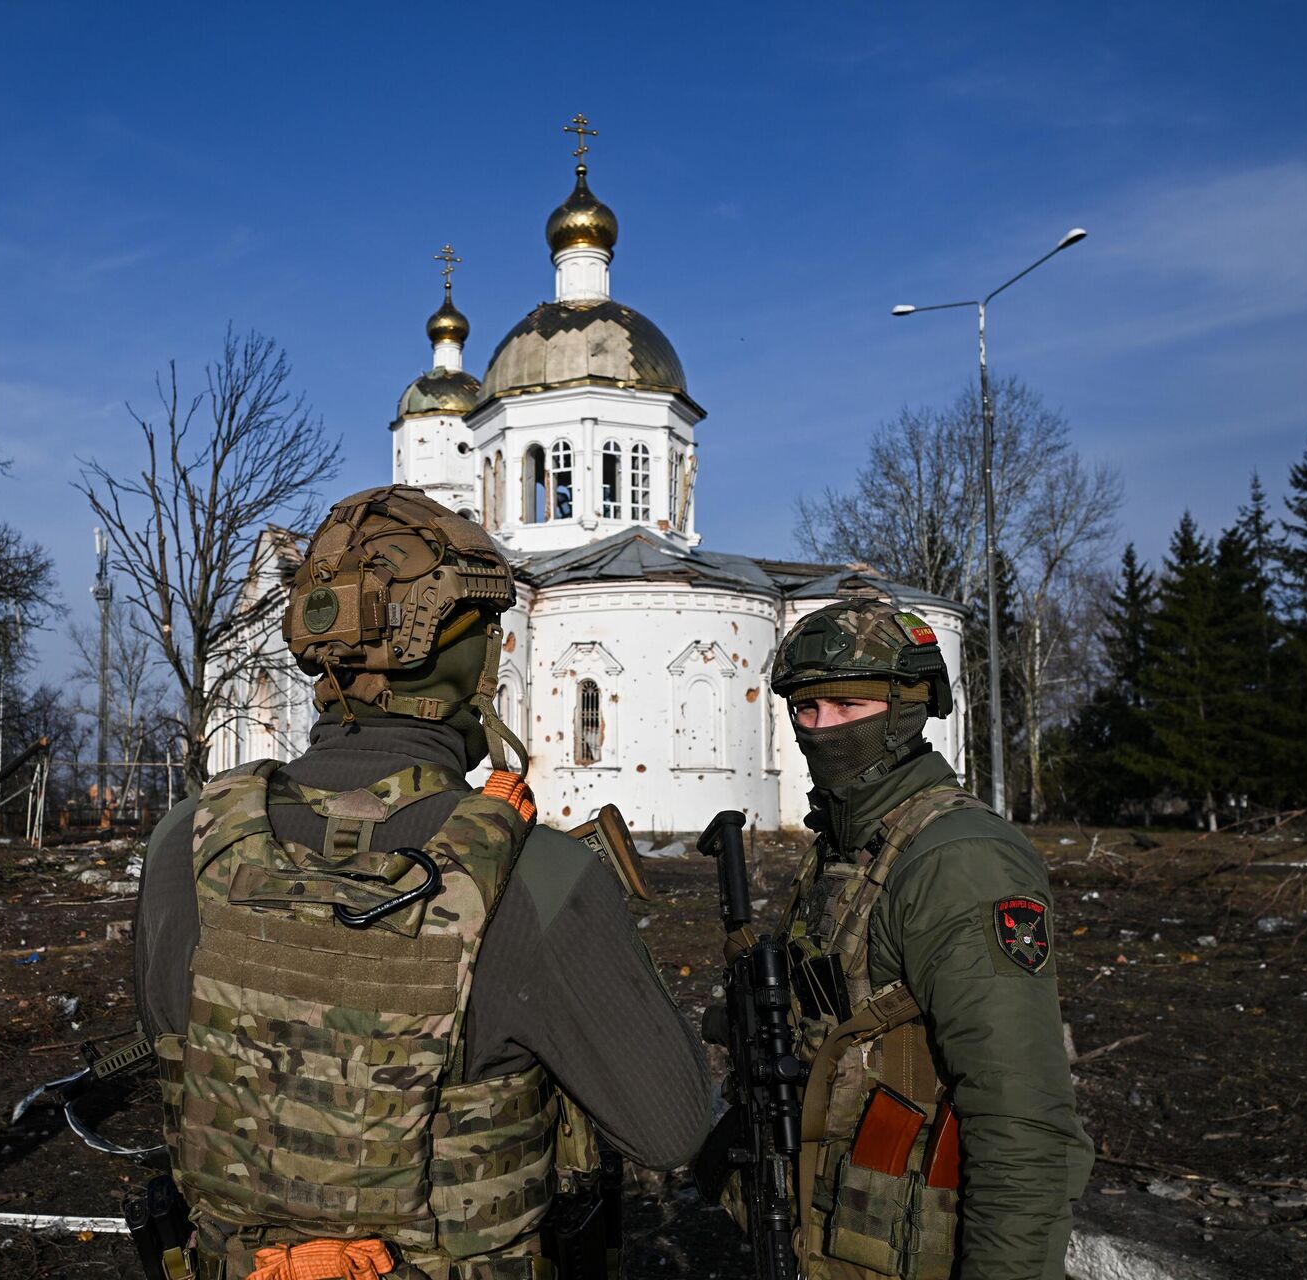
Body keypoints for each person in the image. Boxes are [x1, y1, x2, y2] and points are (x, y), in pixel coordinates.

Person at [134, 485, 710, 1280]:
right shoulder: (535, 872)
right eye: (490, 632)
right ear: (465, 655)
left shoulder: (183, 842)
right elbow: (669, 1128)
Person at [764, 599, 1092, 1280]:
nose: (821, 729)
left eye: (847, 706)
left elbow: (1021, 1115)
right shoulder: (844, 846)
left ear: (907, 708)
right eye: (805, 709)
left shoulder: (960, 858)